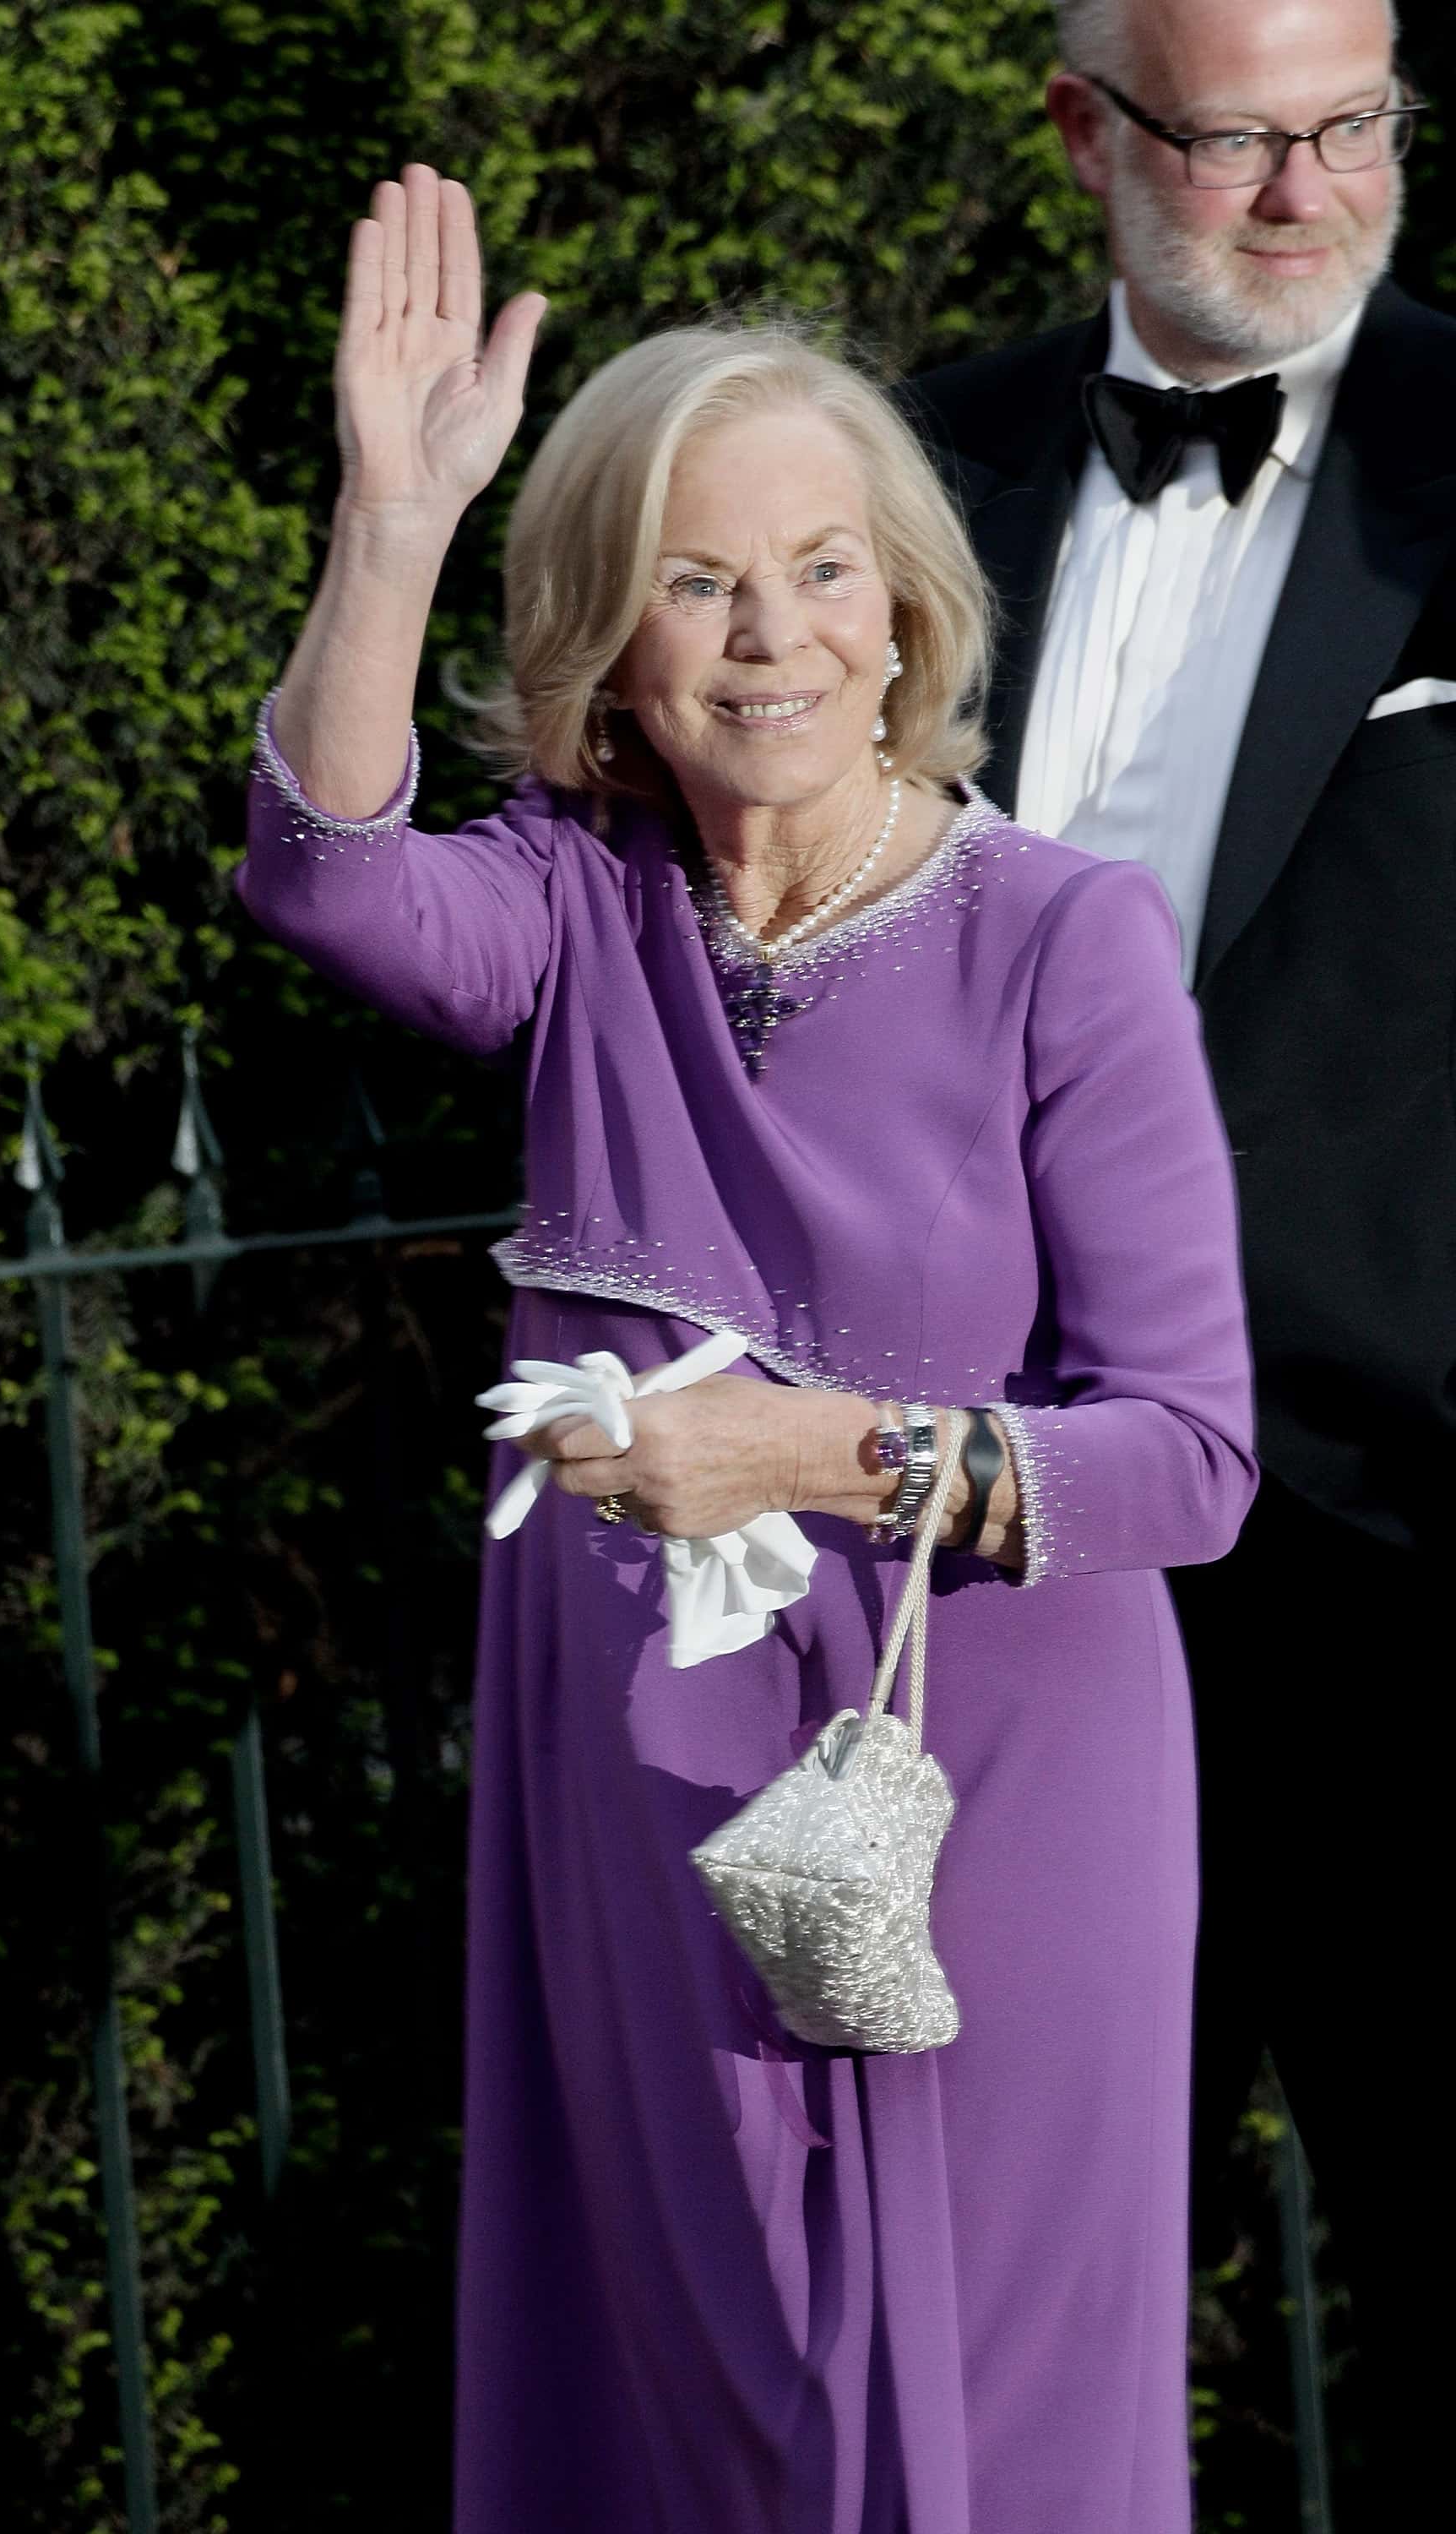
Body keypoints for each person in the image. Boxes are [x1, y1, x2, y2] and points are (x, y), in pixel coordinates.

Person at [236, 165, 1255, 2534]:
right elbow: (322, 873)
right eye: (699, 579)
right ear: (612, 636)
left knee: (989, 2440)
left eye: (819, 571)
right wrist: (391, 524)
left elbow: (1188, 1459)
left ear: (907, 614)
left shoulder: (1061, 940)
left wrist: (807, 1449)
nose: (769, 634)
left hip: (1005, 1786)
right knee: (689, 2408)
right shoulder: (577, 909)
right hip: (653, 1784)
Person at [902, 0, 1455, 2512]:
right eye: (1238, 141)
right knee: (995, 2299)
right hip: (997, 1562)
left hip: (1402, 1554)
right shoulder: (917, 465)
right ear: (1081, 130)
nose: (1308, 193)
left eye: (1356, 127)